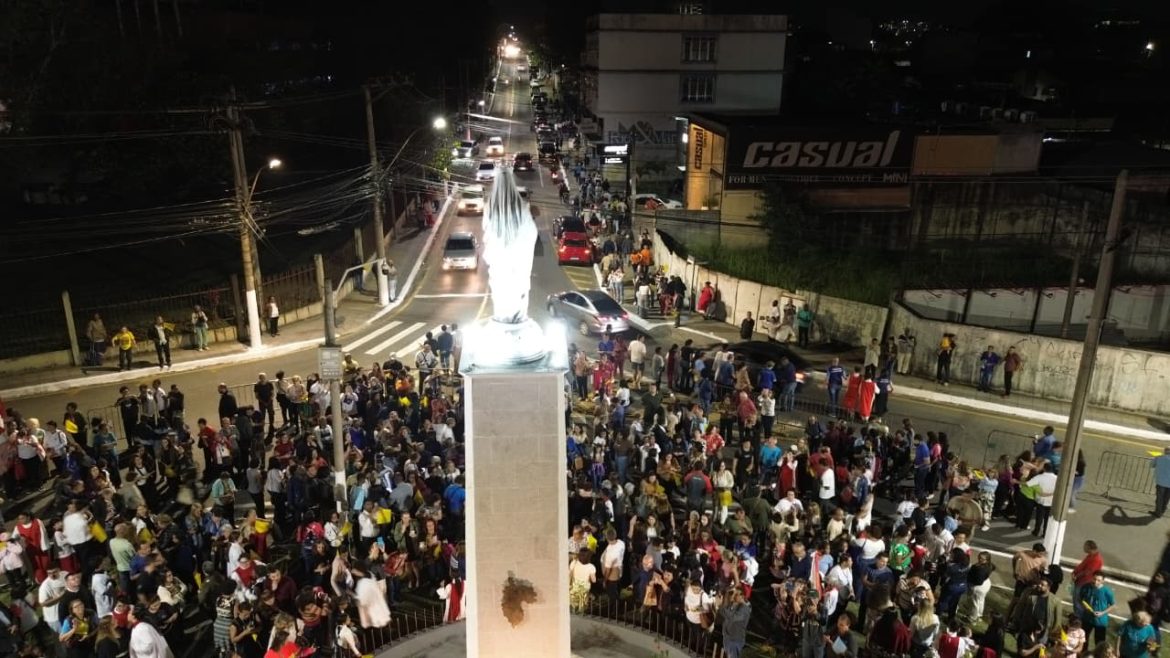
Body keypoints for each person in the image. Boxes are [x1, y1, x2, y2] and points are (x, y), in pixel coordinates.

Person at [1077, 571, 1116, 648]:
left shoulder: (1107, 591)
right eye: (1094, 579)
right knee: (1083, 639)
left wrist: (1102, 613)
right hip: (1087, 618)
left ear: (1103, 581)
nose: (1095, 582)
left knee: (1099, 642)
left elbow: (1113, 605)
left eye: (1099, 580)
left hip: (1100, 621)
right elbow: (1080, 599)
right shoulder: (1086, 587)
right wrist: (1084, 606)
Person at [1152, 446, 1170, 518]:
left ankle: (1158, 512)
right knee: (1166, 498)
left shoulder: (1159, 457)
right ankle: (1162, 511)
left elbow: (1152, 465)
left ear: (1164, 451)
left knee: (1159, 498)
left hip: (1161, 482)